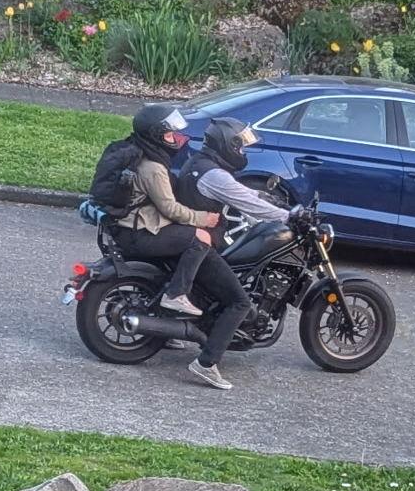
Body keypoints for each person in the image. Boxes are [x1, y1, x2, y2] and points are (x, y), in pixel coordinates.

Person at [170, 116, 291, 391]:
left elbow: (238, 192)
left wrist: (263, 197)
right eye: (241, 145)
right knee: (240, 301)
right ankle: (206, 363)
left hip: (189, 238)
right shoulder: (214, 175)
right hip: (200, 243)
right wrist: (288, 215)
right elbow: (244, 200)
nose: (243, 151)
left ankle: (172, 330)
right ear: (227, 144)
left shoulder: (201, 164)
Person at [88, 103, 220, 319]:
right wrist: (203, 218)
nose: (174, 138)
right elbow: (170, 209)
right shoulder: (153, 167)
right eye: (169, 134)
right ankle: (176, 294)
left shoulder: (134, 151)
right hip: (137, 234)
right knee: (201, 238)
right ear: (155, 135)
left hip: (120, 229)